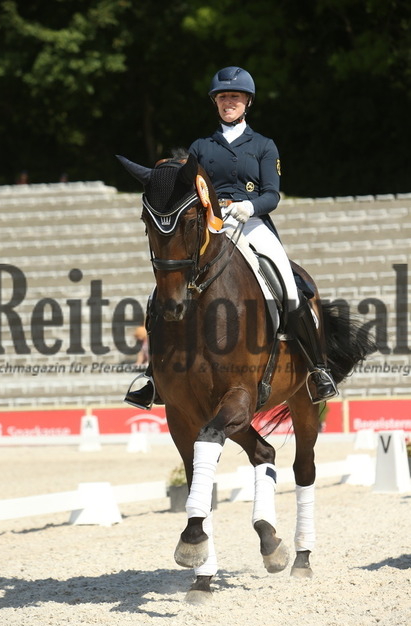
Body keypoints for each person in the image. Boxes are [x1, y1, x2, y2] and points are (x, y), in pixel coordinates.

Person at [125, 66, 338, 409]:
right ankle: (153, 376)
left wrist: (249, 208)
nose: (229, 102)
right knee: (162, 290)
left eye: (235, 97)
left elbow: (273, 195)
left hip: (252, 223)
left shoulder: (264, 146)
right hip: (212, 224)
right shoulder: (200, 147)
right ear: (215, 102)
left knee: (289, 284)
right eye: (223, 97)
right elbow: (188, 191)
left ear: (247, 102)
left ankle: (317, 368)